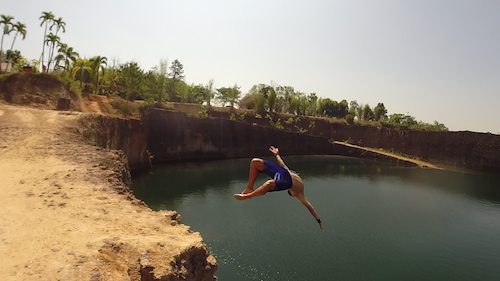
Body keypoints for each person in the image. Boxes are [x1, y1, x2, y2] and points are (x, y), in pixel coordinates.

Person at [234, 146, 323, 229]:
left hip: (284, 173)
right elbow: (310, 208)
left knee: (256, 163)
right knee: (256, 163)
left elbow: (282, 163)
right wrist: (318, 220)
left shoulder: (298, 184)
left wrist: (277, 154)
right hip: (286, 177)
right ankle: (249, 189)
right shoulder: (298, 194)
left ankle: (248, 195)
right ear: (292, 194)